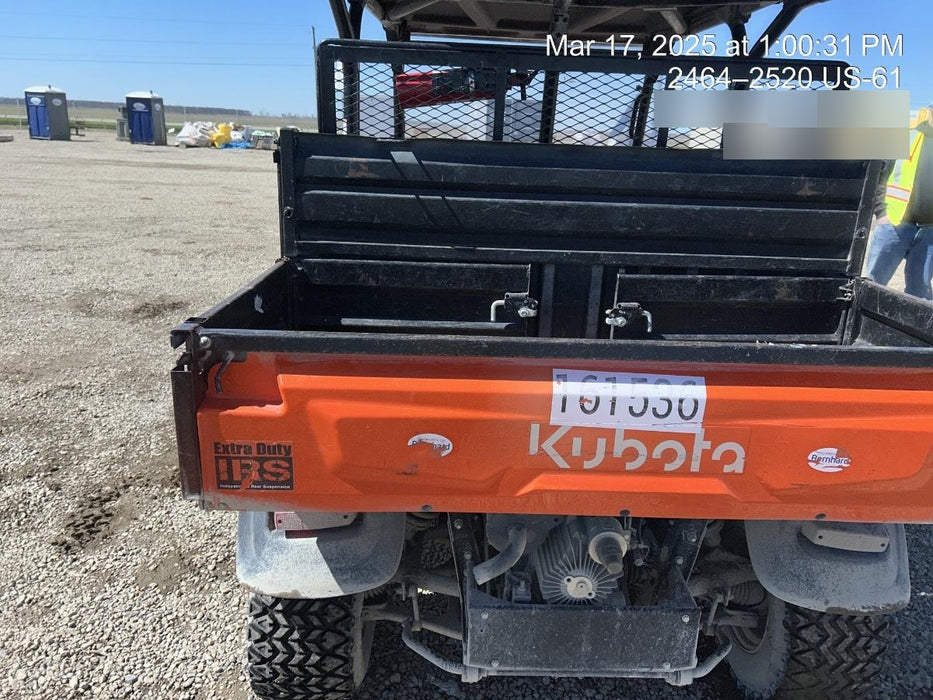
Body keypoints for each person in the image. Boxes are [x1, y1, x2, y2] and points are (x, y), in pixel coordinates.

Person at [865, 107, 933, 300]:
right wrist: (881, 212)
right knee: (873, 285)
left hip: (930, 232)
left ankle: (911, 331)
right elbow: (878, 174)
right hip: (894, 224)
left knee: (921, 293)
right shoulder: (907, 132)